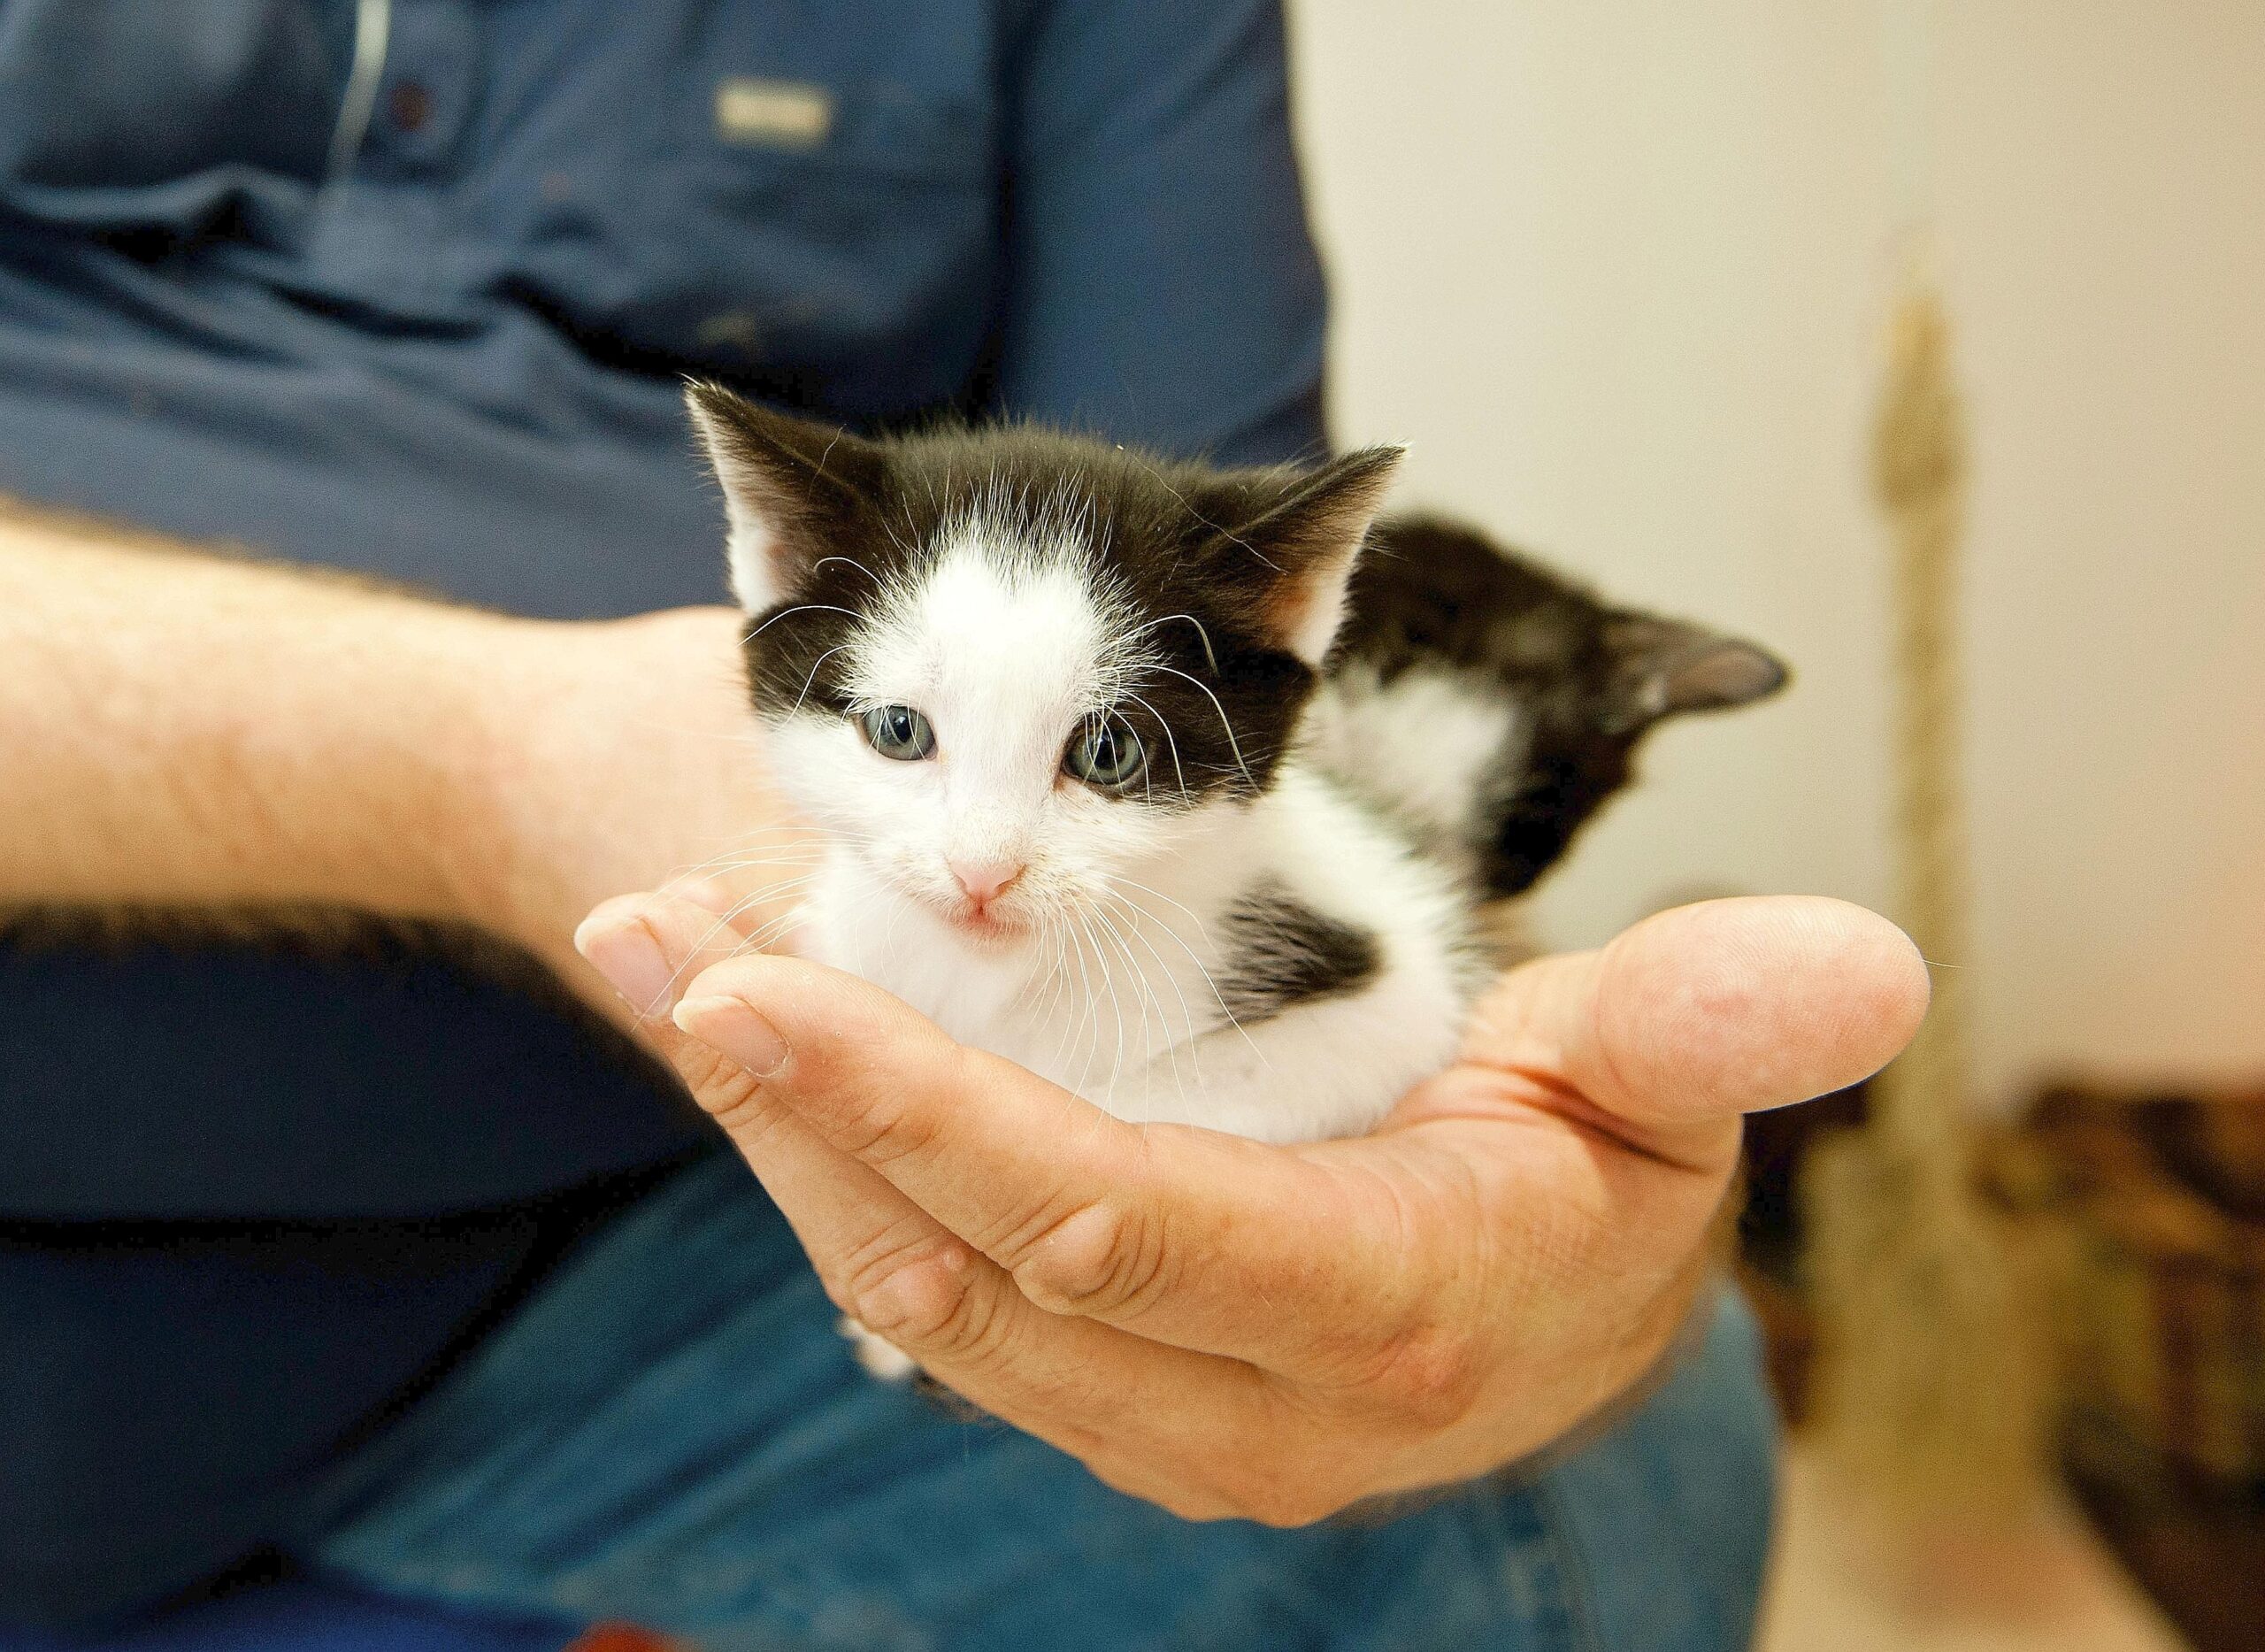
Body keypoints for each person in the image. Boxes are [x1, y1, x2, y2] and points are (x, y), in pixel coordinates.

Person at [0, 2, 1927, 1648]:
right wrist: (497, 763)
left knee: (1591, 1446)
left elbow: (1202, 574)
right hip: (107, 1321)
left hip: (676, 1224)